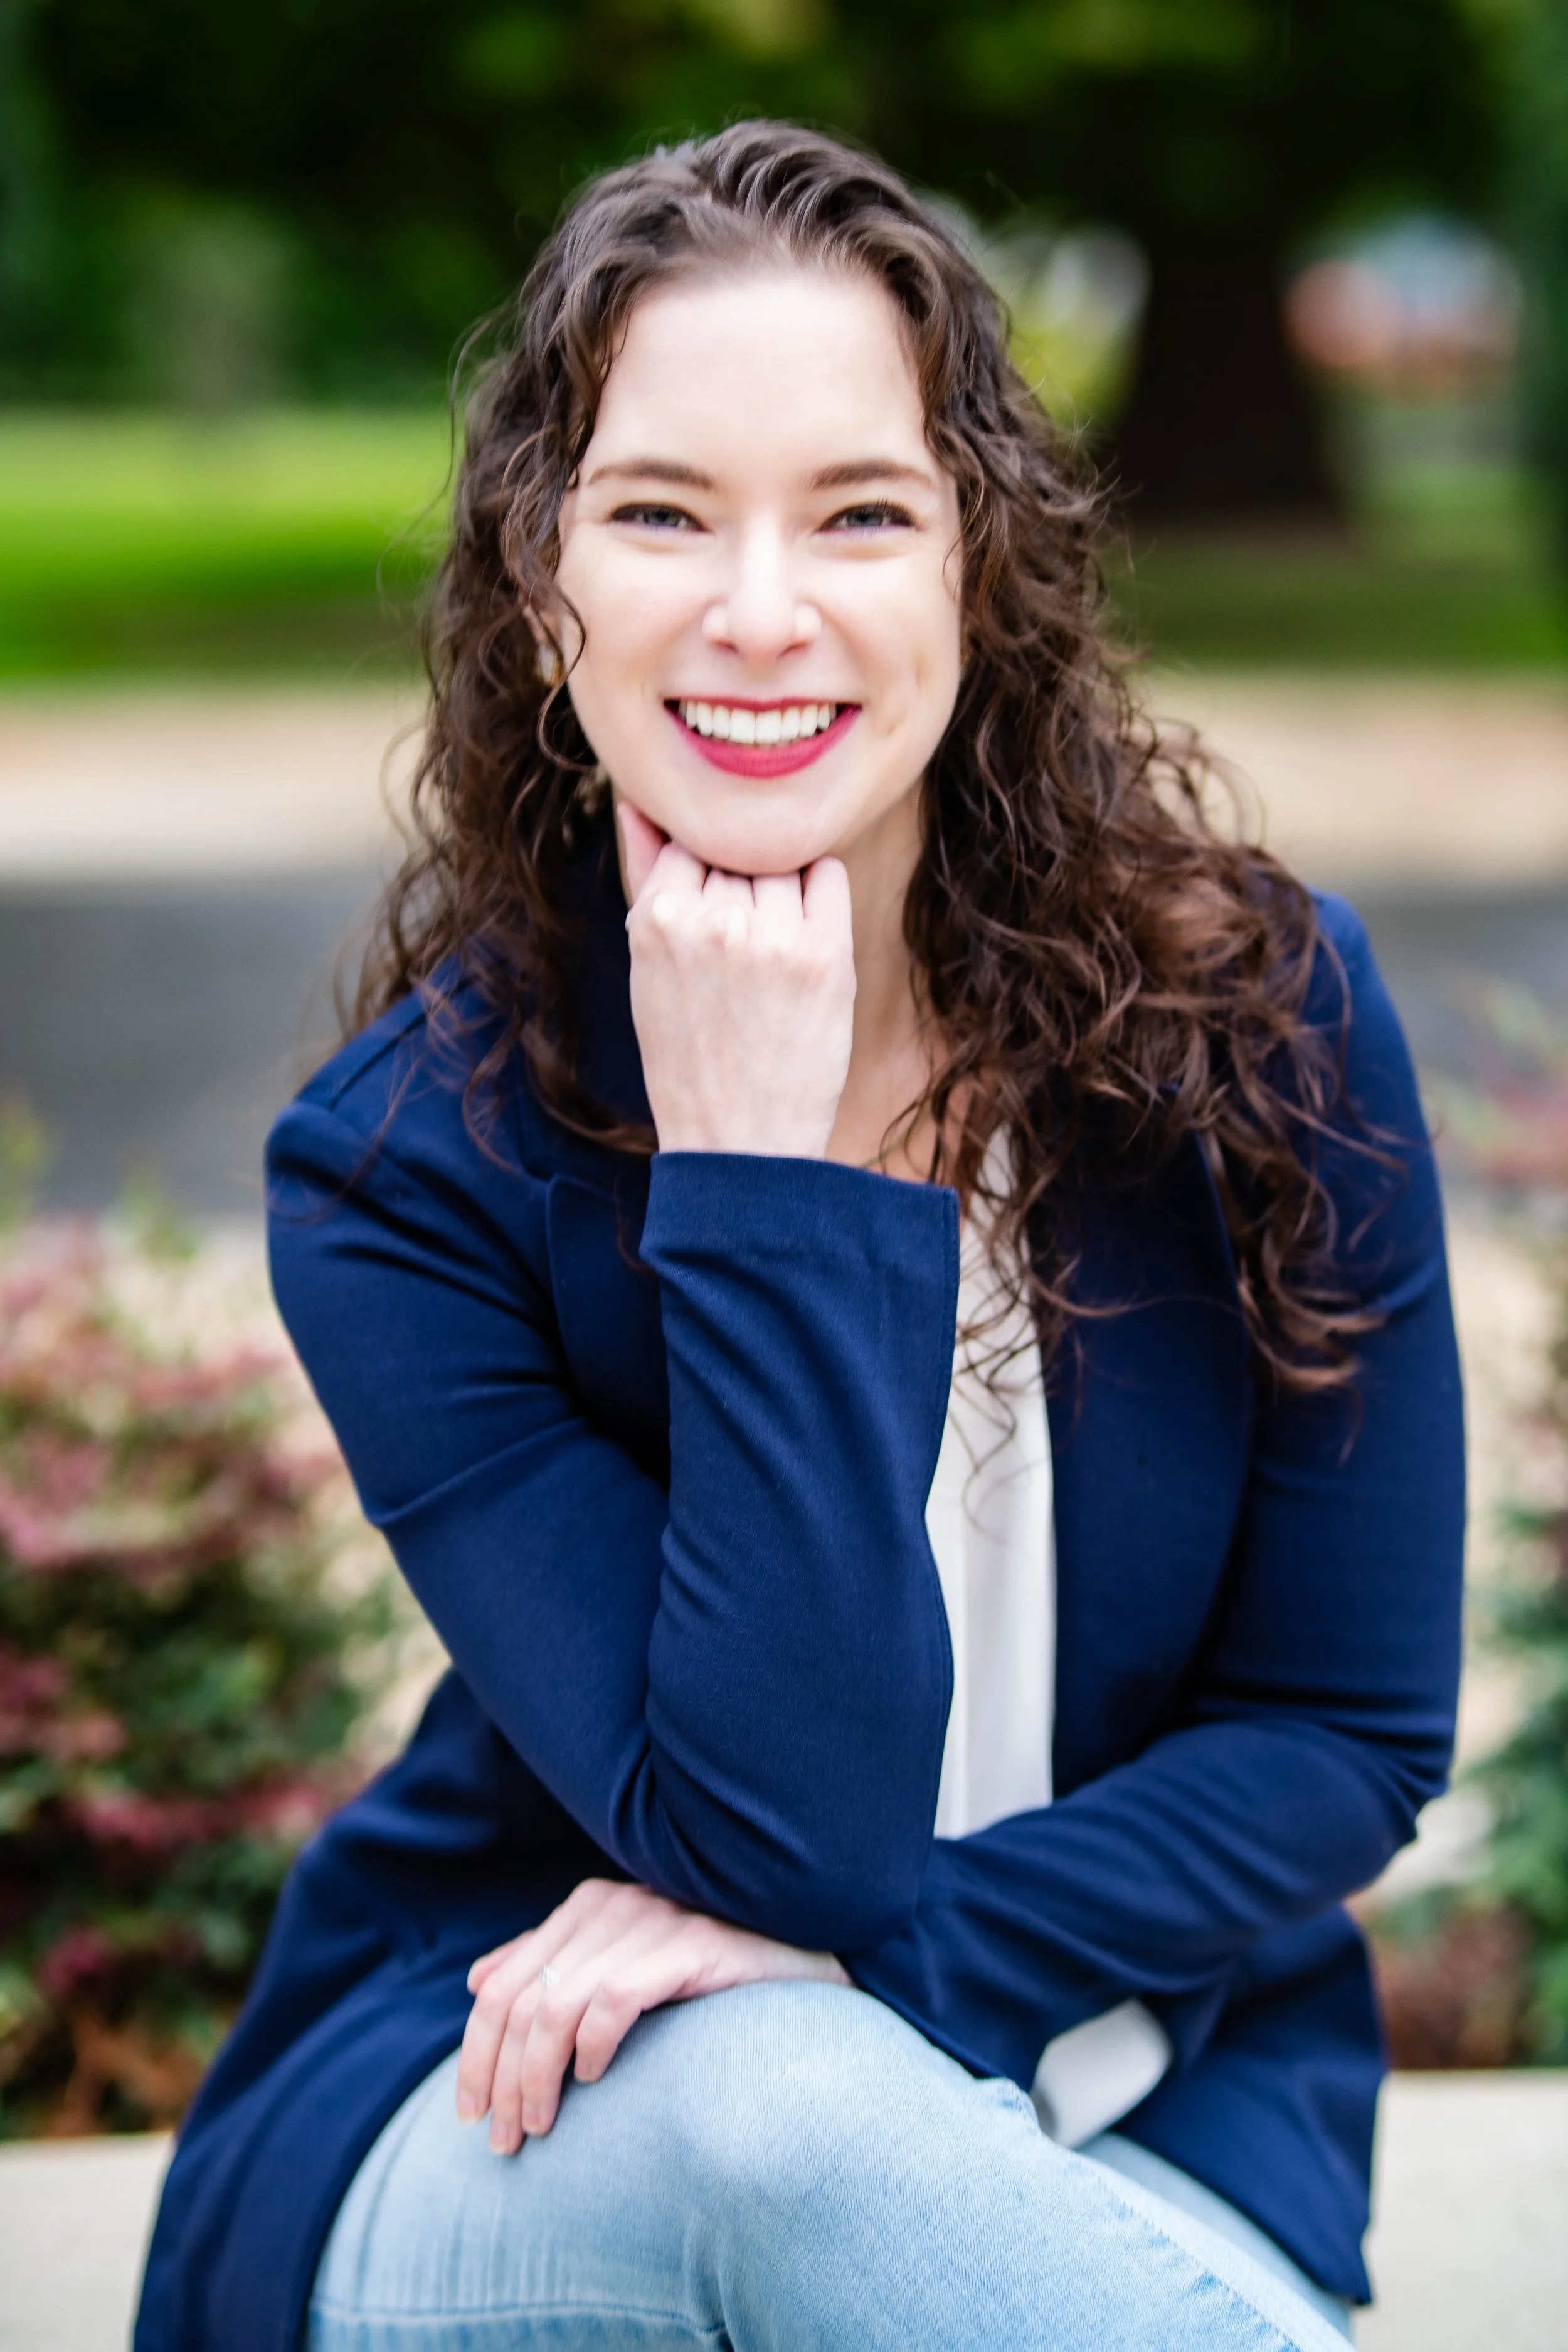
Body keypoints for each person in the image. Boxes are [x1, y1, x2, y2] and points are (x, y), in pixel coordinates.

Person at [135, 122, 1464, 2352]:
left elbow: (1342, 1728)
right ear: (545, 588)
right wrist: (759, 1179)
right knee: (778, 2095)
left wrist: (913, 1955)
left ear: (979, 570)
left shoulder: (1261, 1021)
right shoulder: (401, 1173)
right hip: (546, 2101)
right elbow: (774, 1841)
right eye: (661, 513)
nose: (762, 610)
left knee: (839, 2092)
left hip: (1131, 2125)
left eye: (859, 511)